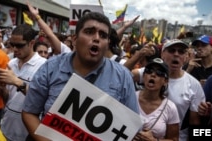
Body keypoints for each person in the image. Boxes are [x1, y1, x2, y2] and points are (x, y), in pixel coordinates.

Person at [22, 3, 139, 141]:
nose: (96, 38)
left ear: (107, 43)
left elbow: (131, 129)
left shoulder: (123, 77)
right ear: (75, 39)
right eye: (89, 32)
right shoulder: (51, 68)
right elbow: (29, 112)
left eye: (102, 35)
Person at [132, 39, 205, 141]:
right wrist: (139, 54)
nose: (176, 54)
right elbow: (120, 75)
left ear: (185, 57)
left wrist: (207, 114)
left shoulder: (194, 85)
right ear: (162, 54)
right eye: (171, 50)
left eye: (181, 52)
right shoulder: (150, 71)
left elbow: (195, 124)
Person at [0, 24, 47, 141]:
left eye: (20, 45)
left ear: (32, 43)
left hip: (28, 134)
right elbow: (8, 99)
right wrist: (2, 89)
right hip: (7, 128)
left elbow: (42, 99)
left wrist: (17, 82)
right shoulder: (11, 63)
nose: (15, 49)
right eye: (12, 45)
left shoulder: (44, 66)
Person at [133, 58, 179, 141]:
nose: (153, 75)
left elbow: (174, 139)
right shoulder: (131, 97)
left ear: (165, 81)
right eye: (149, 71)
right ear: (144, 76)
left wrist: (154, 140)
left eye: (159, 73)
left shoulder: (170, 107)